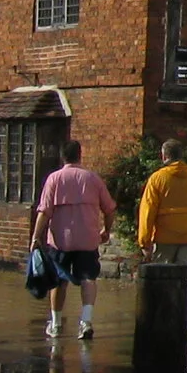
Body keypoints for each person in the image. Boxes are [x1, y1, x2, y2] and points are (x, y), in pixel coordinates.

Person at [30, 139, 117, 342]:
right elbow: (110, 209)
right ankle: (86, 322)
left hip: (60, 241)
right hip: (88, 239)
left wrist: (36, 237)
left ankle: (56, 324)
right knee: (88, 278)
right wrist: (106, 230)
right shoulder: (92, 179)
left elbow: (44, 212)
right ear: (80, 155)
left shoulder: (54, 179)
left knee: (58, 282)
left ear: (63, 157)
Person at [136, 138, 187, 333]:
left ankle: (166, 320)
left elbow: (147, 212)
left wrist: (144, 241)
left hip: (164, 237)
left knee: (164, 281)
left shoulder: (157, 179)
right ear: (182, 155)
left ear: (163, 156)